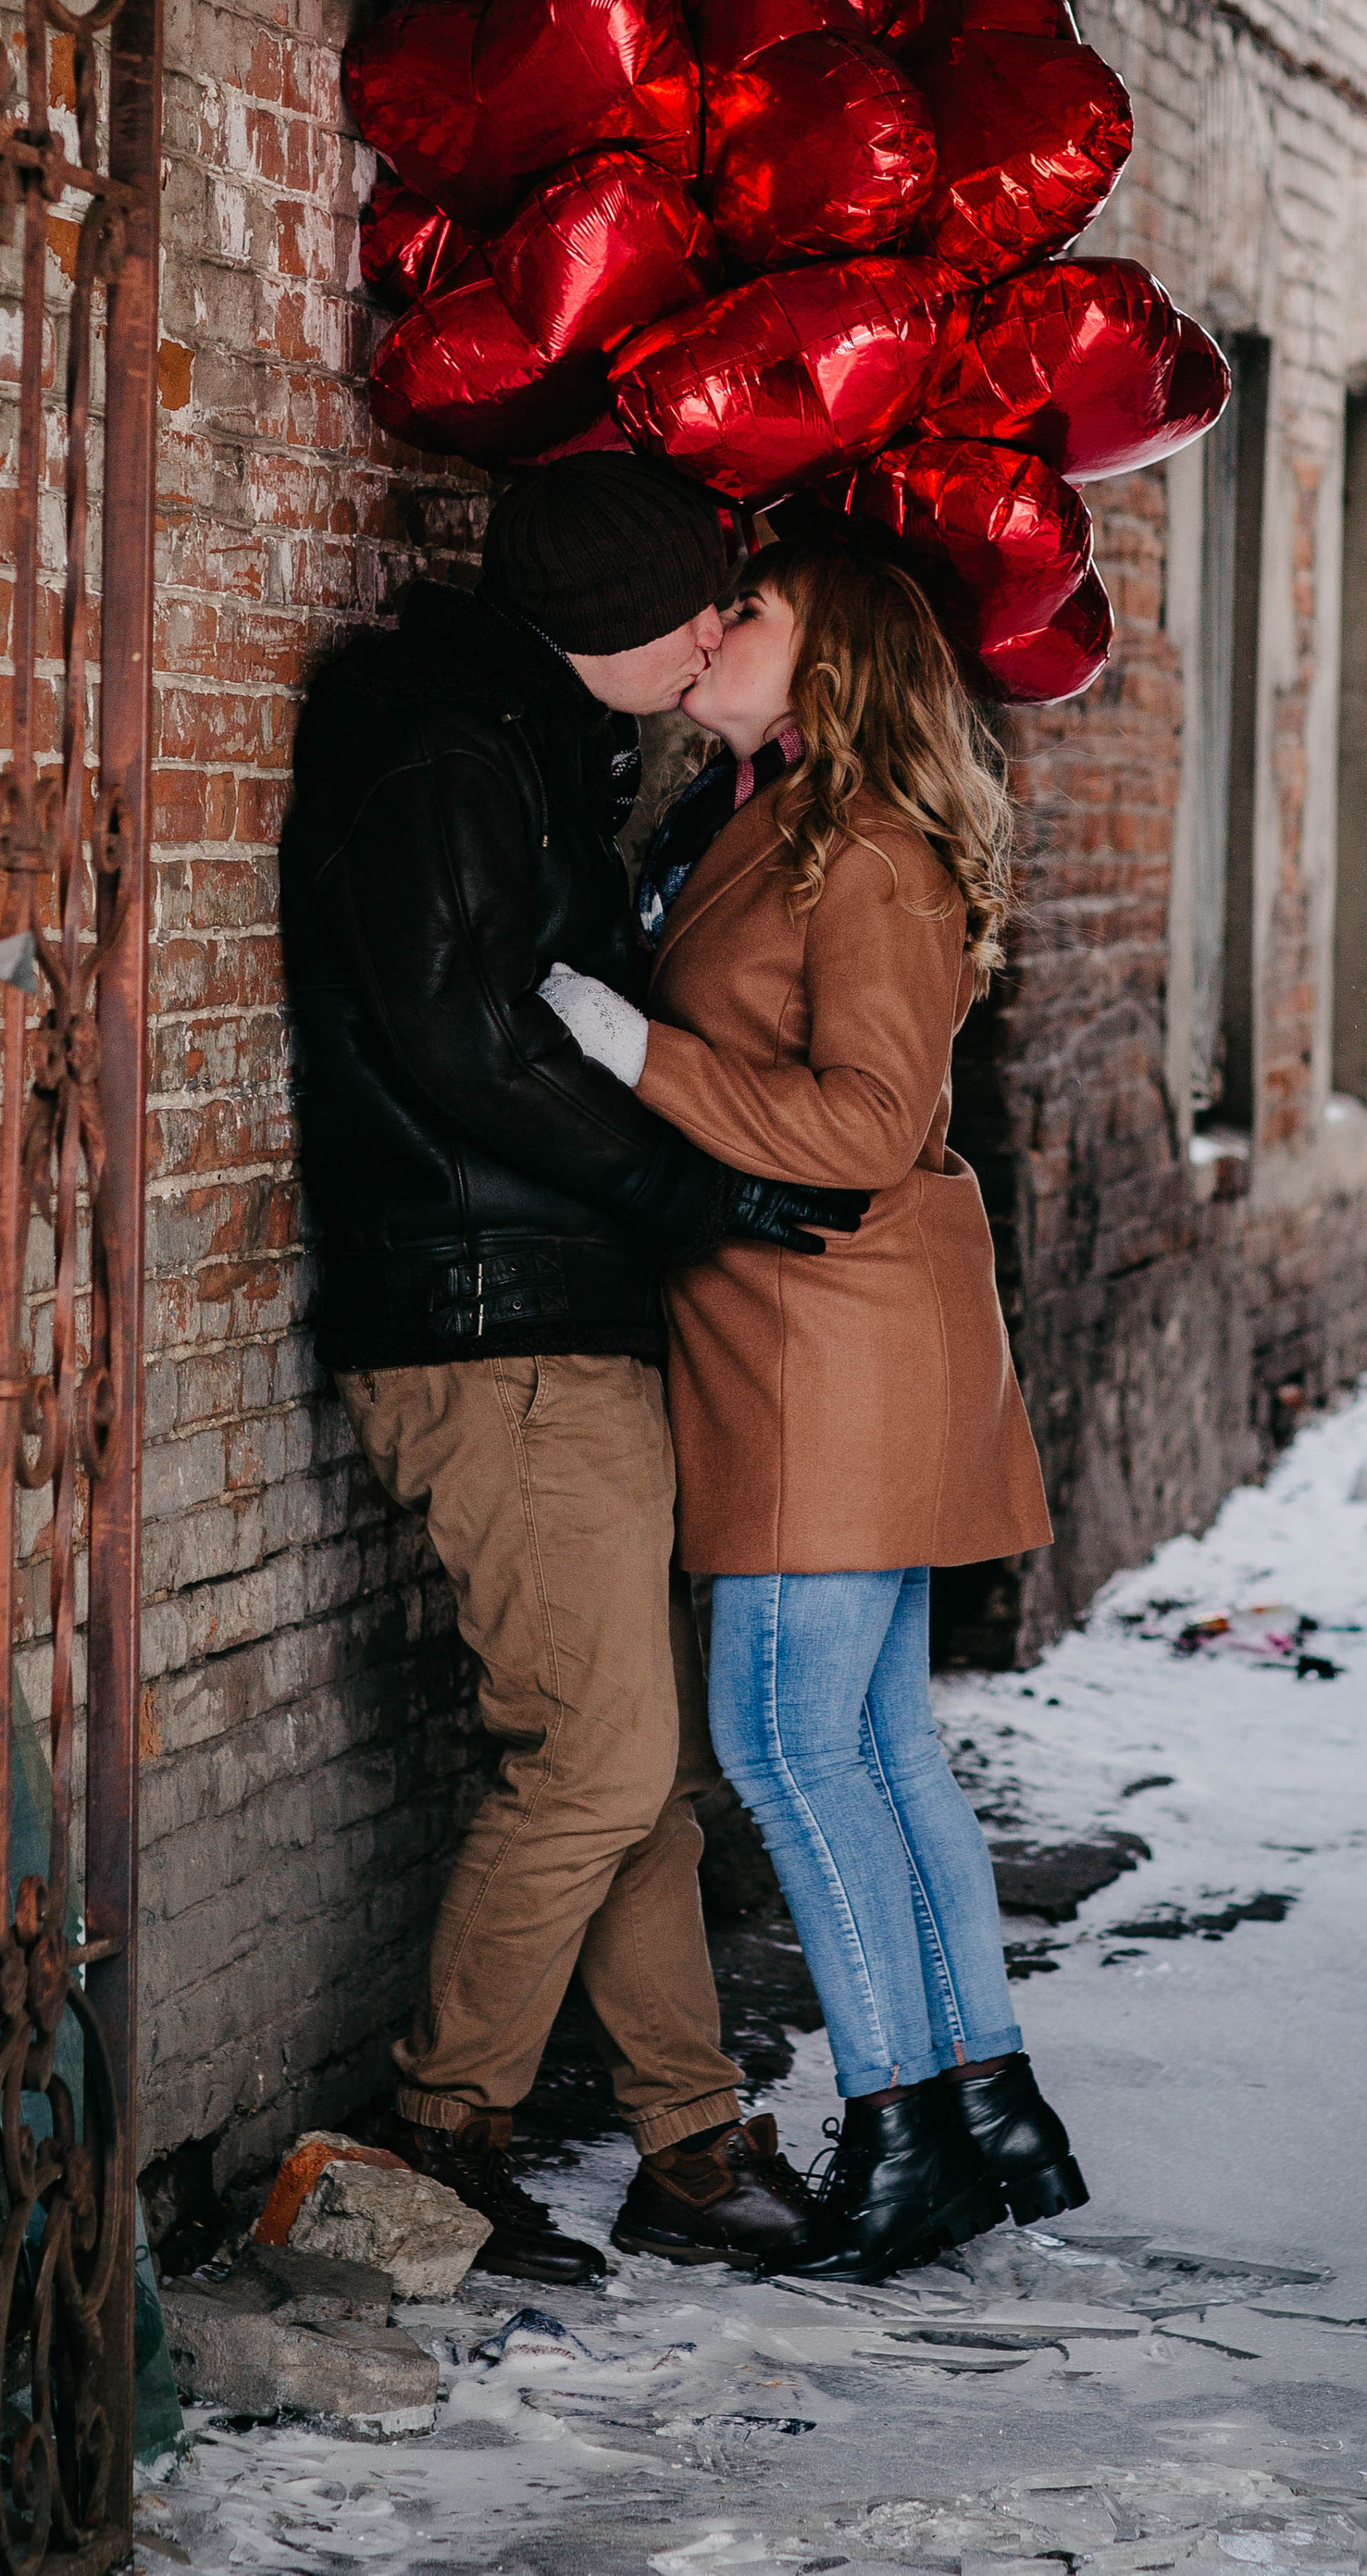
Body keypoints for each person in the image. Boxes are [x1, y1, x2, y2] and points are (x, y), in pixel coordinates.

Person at [280, 455, 867, 2285]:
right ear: (607, 622)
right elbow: (471, 1049)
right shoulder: (445, 752)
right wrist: (686, 1185)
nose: (714, 635)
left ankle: (687, 2146)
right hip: (489, 1328)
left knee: (637, 1767)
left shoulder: (524, 737)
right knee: (603, 1769)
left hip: (552, 1318)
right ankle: (427, 2142)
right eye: (694, 608)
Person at [540, 540, 1087, 2282]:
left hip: (824, 1350)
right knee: (883, 1748)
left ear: (830, 655)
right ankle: (981, 2103)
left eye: (751, 611)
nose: (712, 630)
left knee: (787, 1750)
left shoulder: (866, 847)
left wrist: (636, 1054)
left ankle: (898, 2125)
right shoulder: (769, 814)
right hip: (827, 1345)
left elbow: (860, 1129)